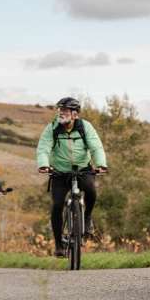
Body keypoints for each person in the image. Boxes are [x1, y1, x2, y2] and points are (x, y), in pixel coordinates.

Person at [36, 97, 108, 257]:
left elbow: (96, 146)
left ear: (75, 114)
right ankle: (59, 245)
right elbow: (43, 147)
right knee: (57, 205)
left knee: (91, 191)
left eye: (65, 110)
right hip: (60, 172)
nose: (61, 113)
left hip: (82, 169)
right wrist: (43, 164)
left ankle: (87, 218)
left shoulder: (85, 127)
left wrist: (101, 164)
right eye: (60, 110)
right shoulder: (52, 128)